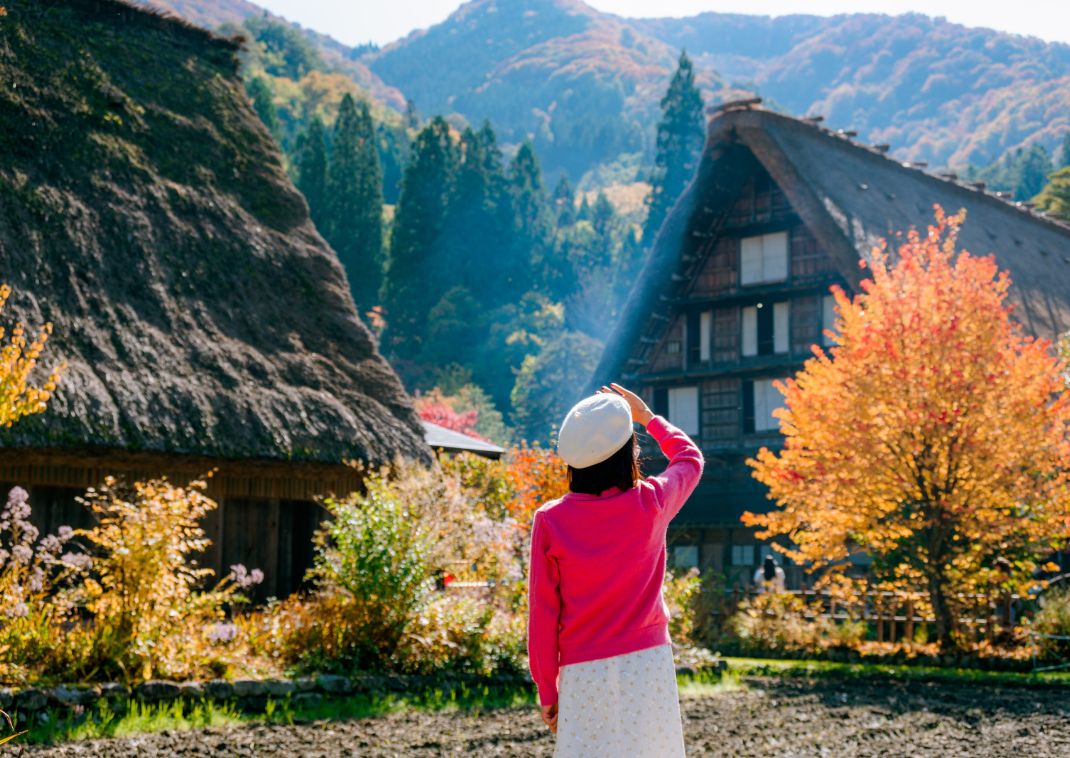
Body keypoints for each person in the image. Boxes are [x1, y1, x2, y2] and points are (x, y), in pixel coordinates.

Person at [527, 383, 704, 757]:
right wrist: (649, 419)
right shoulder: (652, 502)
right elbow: (689, 459)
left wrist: (548, 691)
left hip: (582, 672)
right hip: (648, 664)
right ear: (629, 451)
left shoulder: (551, 521)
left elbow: (542, 616)